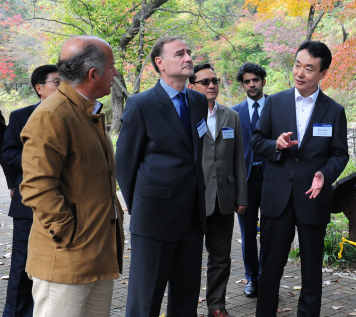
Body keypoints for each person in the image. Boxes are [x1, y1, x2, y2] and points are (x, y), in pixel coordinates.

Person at [19, 36, 125, 316]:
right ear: (93, 75)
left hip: (98, 256)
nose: (114, 73)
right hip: (66, 260)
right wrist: (70, 235)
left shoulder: (87, 111)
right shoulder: (52, 115)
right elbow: (36, 187)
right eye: (111, 67)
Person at [252, 41, 349, 316]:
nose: (300, 73)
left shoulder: (334, 111)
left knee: (311, 271)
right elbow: (257, 141)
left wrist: (324, 174)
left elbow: (340, 154)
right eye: (297, 65)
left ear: (323, 73)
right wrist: (275, 145)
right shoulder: (274, 102)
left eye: (309, 68)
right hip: (277, 199)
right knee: (270, 268)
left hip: (312, 198)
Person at [116, 36, 208, 317]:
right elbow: (125, 164)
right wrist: (140, 205)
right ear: (160, 63)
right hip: (153, 219)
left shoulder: (197, 101)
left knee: (186, 298)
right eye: (180, 53)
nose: (189, 58)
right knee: (146, 300)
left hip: (192, 217)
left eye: (189, 51)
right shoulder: (141, 105)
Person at [187, 63, 248, 317]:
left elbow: (238, 159)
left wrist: (241, 196)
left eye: (215, 81)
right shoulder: (186, 114)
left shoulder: (230, 116)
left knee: (221, 258)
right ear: (191, 86)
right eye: (205, 82)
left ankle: (217, 306)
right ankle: (186, 306)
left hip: (224, 197)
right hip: (193, 199)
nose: (211, 85)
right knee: (189, 258)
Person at [1, 65, 60, 317]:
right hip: (28, 204)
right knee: (22, 265)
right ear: (39, 88)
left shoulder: (76, 114)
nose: (62, 87)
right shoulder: (21, 116)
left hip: (64, 206)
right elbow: (8, 153)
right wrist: (19, 179)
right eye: (56, 82)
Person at [231, 63, 268, 298]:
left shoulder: (277, 107)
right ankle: (252, 278)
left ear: (263, 81)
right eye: (247, 81)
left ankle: (268, 275)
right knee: (247, 234)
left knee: (273, 231)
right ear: (242, 85)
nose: (251, 84)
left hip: (272, 178)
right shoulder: (235, 113)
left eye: (255, 80)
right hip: (245, 180)